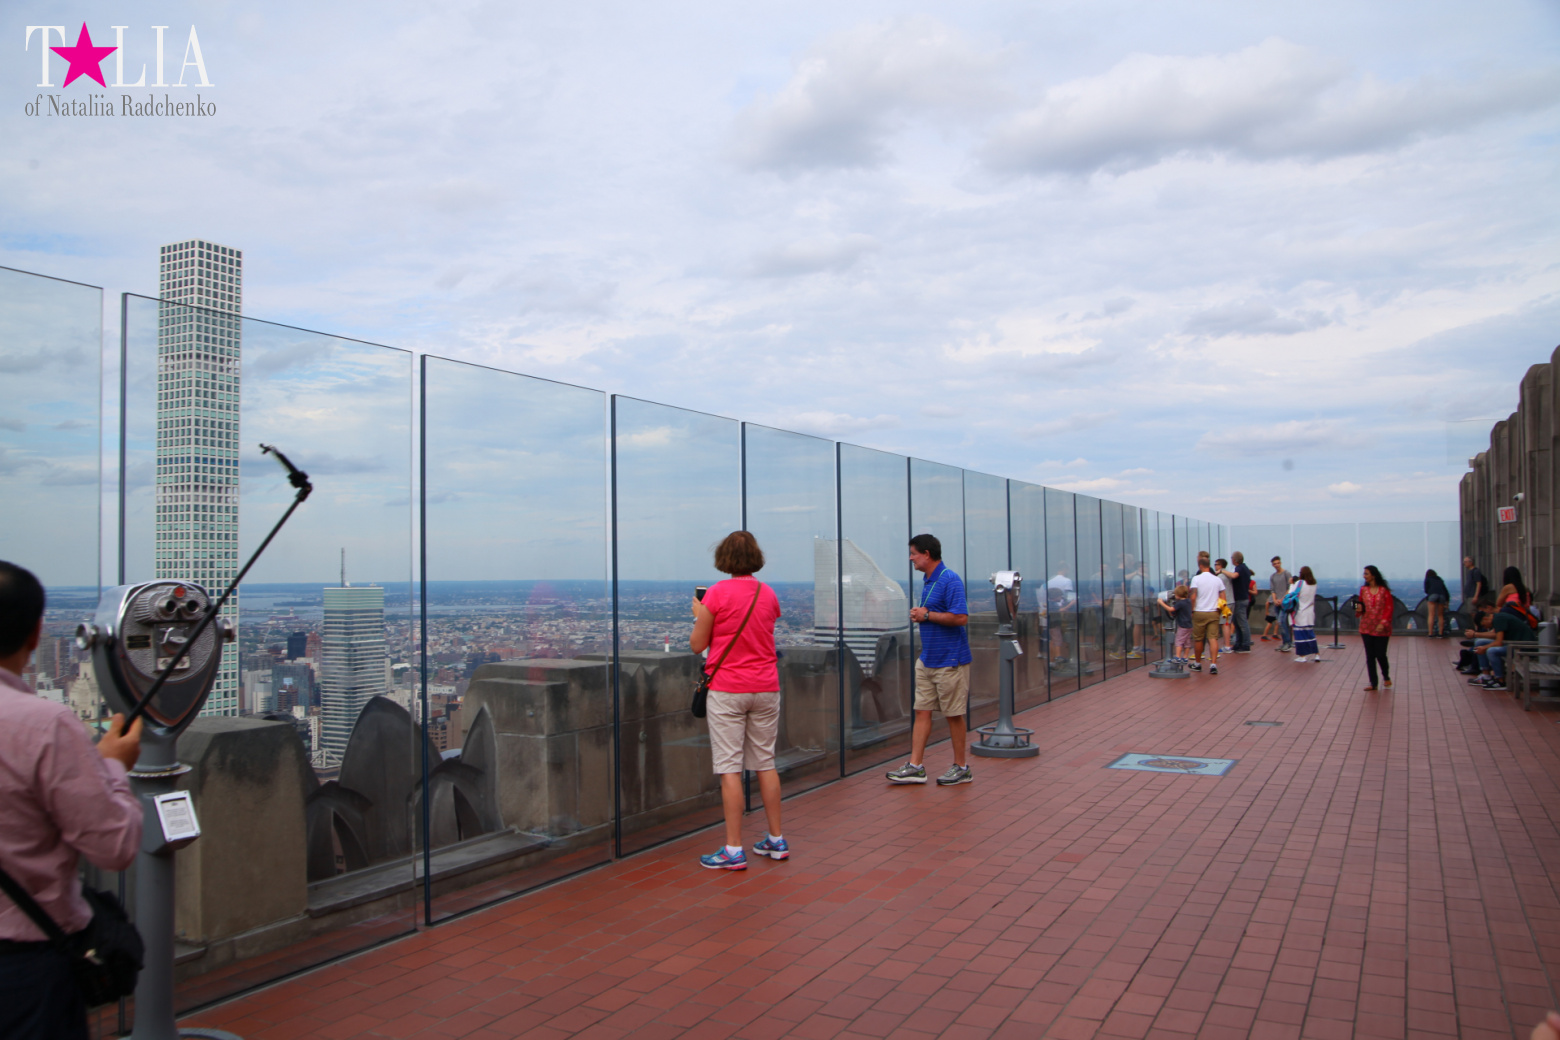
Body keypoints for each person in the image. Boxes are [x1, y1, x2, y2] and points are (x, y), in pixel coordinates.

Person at [0, 561, 143, 1040]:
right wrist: (113, 767)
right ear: (36, 632)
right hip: (24, 966)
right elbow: (114, 847)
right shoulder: (43, 725)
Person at [689, 532, 785, 870]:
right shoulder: (768, 593)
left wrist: (700, 613)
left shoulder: (717, 593)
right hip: (766, 686)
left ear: (723, 557)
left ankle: (733, 849)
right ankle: (776, 840)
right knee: (765, 762)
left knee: (729, 766)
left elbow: (697, 645)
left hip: (729, 688)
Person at [887, 534, 973, 786]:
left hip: (950, 660)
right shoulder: (928, 580)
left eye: (913, 553)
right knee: (922, 711)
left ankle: (961, 767)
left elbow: (961, 617)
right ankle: (915, 766)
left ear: (926, 554)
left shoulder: (949, 579)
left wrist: (927, 616)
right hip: (928, 659)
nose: (910, 558)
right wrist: (924, 615)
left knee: (953, 714)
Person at [1467, 583, 1538, 690]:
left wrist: (1484, 648)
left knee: (1492, 651)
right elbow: (1495, 635)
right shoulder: (1497, 617)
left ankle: (1500, 681)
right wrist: (1478, 639)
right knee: (1480, 642)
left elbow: (1498, 642)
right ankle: (1486, 675)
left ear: (1486, 619)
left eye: (1483, 625)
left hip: (1523, 646)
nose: (1485, 627)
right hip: (1513, 643)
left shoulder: (1499, 619)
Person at [1356, 565, 1394, 691]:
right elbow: (1359, 605)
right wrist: (1358, 609)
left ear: (1373, 575)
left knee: (1380, 654)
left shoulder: (1384, 591)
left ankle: (1386, 676)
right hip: (1366, 627)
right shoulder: (1363, 590)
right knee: (1370, 655)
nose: (1364, 576)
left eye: (1366, 574)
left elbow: (1389, 608)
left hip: (1381, 628)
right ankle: (1373, 682)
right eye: (1364, 574)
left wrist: (1383, 623)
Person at [1188, 553, 1223, 675]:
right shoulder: (1217, 579)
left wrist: (1192, 610)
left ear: (1200, 566)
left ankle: (1198, 663)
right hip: (1213, 612)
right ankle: (1213, 664)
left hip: (1199, 611)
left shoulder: (1196, 579)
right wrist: (1219, 610)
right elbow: (1223, 597)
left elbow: (1193, 596)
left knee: (1198, 639)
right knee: (1213, 638)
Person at [1290, 566, 1320, 662]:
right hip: (1310, 612)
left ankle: (1302, 656)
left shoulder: (1300, 583)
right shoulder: (1314, 584)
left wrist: (1291, 584)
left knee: (1299, 635)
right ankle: (1316, 654)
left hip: (1300, 612)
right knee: (1310, 635)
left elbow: (1291, 594)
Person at [1159, 584, 1194, 664]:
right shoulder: (1188, 601)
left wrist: (1161, 602)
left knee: (1179, 641)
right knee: (1187, 642)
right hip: (1189, 625)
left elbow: (1171, 609)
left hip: (1182, 626)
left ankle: (1177, 657)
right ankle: (1185, 657)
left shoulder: (1180, 603)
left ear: (1178, 595)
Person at [1228, 551, 1255, 652]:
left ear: (1235, 559)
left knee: (1242, 622)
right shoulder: (1245, 568)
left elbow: (1234, 576)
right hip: (1242, 598)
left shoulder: (1240, 568)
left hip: (1240, 599)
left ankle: (1245, 644)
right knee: (1237, 622)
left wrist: (1222, 571)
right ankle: (1238, 643)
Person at [1270, 557, 1293, 651]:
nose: (1277, 565)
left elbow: (1289, 588)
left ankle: (1288, 642)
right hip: (1277, 603)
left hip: (1285, 603)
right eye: (1275, 563)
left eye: (1278, 563)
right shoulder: (1273, 576)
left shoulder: (1286, 573)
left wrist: (1282, 599)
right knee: (1280, 623)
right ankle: (1285, 642)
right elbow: (1273, 590)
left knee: (1282, 621)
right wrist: (1275, 600)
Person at [1213, 559, 1236, 653]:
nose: (1215, 566)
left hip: (1225, 602)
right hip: (1231, 601)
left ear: (1221, 566)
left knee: (1225, 624)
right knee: (1228, 623)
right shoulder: (1227, 575)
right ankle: (1227, 644)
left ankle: (1227, 646)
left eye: (1217, 564)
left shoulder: (1220, 577)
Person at [1423, 569, 1451, 637]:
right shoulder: (1440, 579)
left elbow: (1426, 590)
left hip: (1432, 595)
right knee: (1440, 615)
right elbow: (1445, 591)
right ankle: (1440, 633)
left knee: (1431, 615)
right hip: (1442, 596)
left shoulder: (1428, 579)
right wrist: (1447, 602)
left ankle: (1430, 633)